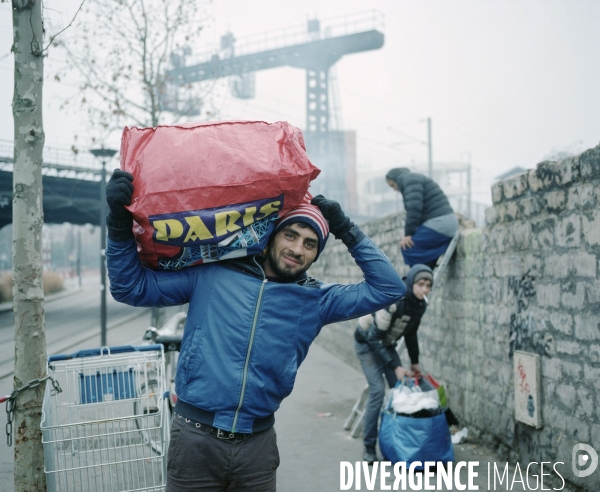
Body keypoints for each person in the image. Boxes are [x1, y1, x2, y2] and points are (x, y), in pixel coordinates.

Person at [104, 169, 406, 491]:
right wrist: (119, 224)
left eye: (309, 243)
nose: (297, 249)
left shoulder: (317, 301)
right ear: (270, 238)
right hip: (194, 439)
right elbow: (129, 287)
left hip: (257, 448)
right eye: (290, 235)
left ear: (316, 255)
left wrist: (347, 230)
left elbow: (389, 288)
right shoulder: (213, 274)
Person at [353, 264, 433, 464]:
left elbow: (411, 333)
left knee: (400, 388)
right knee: (378, 391)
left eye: (428, 285)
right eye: (421, 284)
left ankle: (394, 442)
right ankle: (369, 448)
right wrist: (396, 366)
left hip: (385, 344)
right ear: (412, 282)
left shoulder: (420, 304)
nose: (424, 289)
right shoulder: (395, 299)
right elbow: (373, 338)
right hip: (367, 343)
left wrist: (414, 363)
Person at [385, 167, 458, 270]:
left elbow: (414, 209)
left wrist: (408, 235)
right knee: (416, 249)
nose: (394, 189)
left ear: (397, 179)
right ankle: (425, 275)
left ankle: (421, 279)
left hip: (440, 222)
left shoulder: (410, 180)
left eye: (393, 185)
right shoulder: (413, 179)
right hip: (444, 222)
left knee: (408, 248)